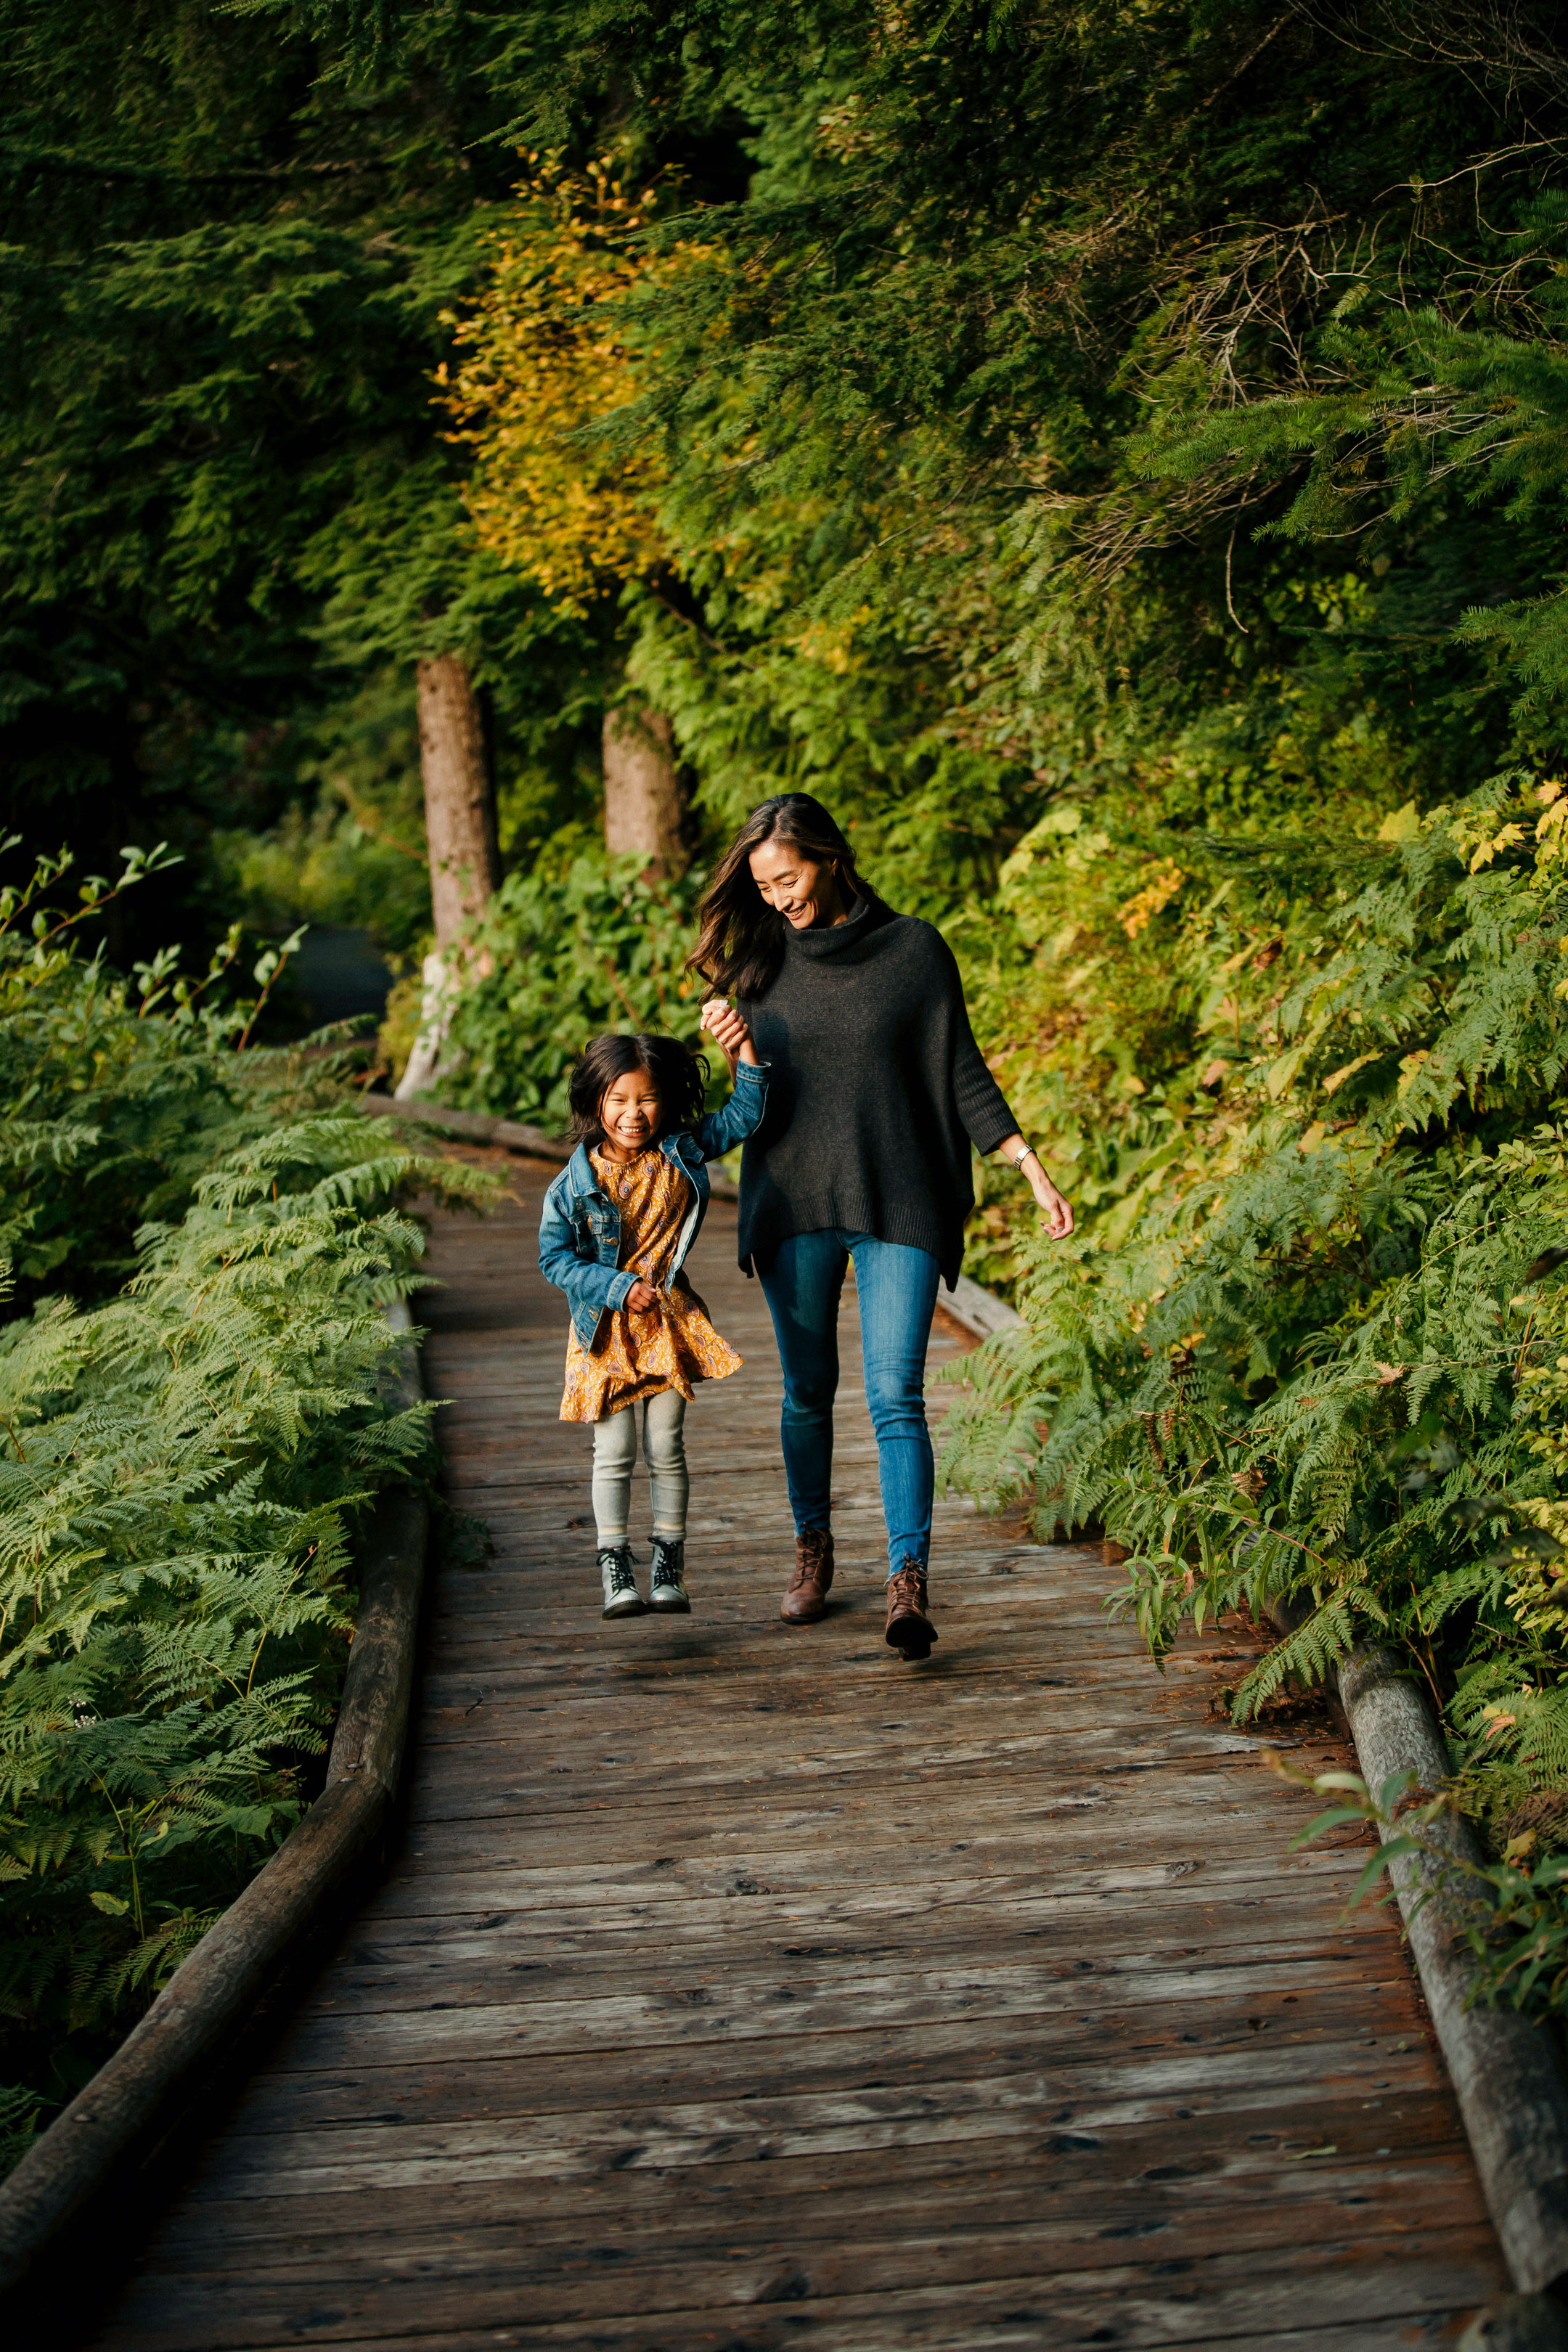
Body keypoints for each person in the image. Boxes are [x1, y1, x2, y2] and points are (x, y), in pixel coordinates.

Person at [692, 793, 1074, 1662]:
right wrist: (738, 1058)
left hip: (900, 1198)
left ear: (828, 857)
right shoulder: (754, 961)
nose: (777, 897)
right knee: (805, 1394)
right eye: (761, 884)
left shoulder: (914, 953)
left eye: (786, 877)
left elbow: (961, 1070)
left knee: (896, 1394)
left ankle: (908, 1582)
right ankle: (813, 1548)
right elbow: (745, 1112)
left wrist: (1028, 1165)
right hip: (795, 1203)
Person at [538, 1028, 767, 1620]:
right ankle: (615, 1565)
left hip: (668, 1325)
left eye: (646, 1099)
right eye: (618, 1099)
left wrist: (741, 1047)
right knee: (614, 1450)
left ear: (665, 1100)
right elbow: (554, 1259)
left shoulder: (682, 1148)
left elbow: (745, 1115)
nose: (632, 1114)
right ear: (595, 1103)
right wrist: (616, 1288)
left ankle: (669, 1564)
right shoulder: (573, 1184)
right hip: (604, 1331)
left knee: (665, 1444)